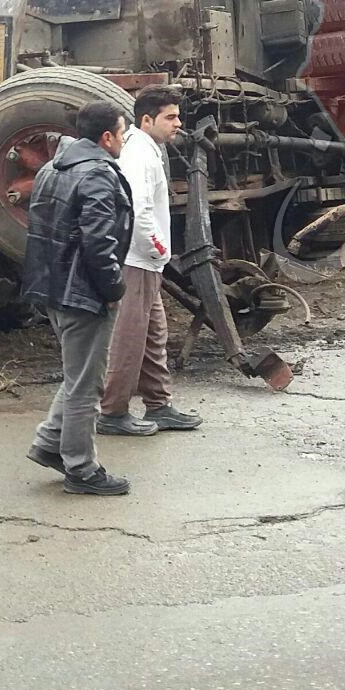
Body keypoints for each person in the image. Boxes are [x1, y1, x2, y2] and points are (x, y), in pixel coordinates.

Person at [23, 101, 135, 495]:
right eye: (123, 133)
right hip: (84, 293)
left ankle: (50, 443)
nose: (124, 140)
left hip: (53, 288)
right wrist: (114, 288)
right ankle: (82, 469)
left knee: (78, 375)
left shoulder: (53, 169)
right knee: (87, 385)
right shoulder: (98, 176)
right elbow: (99, 244)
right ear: (106, 137)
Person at [98, 84, 202, 435]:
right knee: (130, 338)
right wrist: (159, 248)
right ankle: (112, 413)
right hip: (137, 261)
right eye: (170, 117)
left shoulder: (149, 149)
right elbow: (138, 209)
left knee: (154, 333)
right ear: (146, 119)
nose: (178, 124)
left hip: (146, 261)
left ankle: (158, 405)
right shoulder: (139, 155)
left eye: (178, 116)